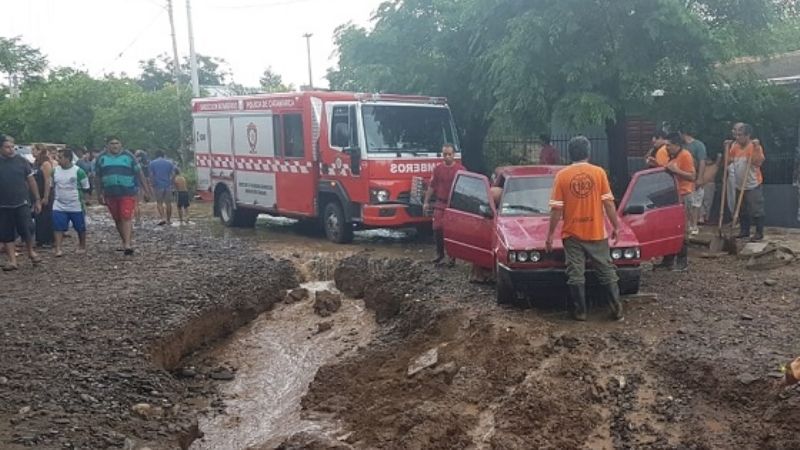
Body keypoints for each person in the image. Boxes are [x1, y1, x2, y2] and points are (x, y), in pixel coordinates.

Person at [546, 136, 623, 321]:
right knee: (606, 270)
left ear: (569, 153)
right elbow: (609, 203)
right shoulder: (599, 173)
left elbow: (556, 209)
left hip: (572, 234)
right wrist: (616, 226)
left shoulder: (562, 176)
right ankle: (616, 309)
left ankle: (580, 312)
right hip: (596, 231)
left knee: (575, 273)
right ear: (589, 152)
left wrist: (550, 235)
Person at [95, 137, 151, 255]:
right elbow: (97, 177)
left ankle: (127, 244)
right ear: (107, 145)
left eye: (117, 143)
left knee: (126, 216)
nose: (115, 146)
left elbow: (139, 173)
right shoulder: (101, 158)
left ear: (121, 145)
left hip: (127, 191)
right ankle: (125, 240)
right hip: (110, 193)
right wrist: (99, 193)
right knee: (117, 218)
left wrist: (146, 190)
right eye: (112, 143)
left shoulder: (129, 156)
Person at [652, 132, 696, 271]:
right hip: (671, 194)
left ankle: (682, 262)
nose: (667, 147)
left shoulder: (685, 155)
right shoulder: (670, 155)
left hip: (683, 194)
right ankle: (668, 260)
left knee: (682, 229)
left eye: (669, 145)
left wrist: (677, 171)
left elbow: (692, 177)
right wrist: (656, 165)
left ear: (677, 145)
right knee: (669, 228)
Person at [0, 134, 43, 270]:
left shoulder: (21, 161)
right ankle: (12, 260)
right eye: (7, 147)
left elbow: (31, 180)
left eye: (12, 147)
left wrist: (37, 199)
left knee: (27, 228)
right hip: (3, 204)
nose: (11, 149)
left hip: (21, 201)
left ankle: (31, 252)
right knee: (6, 233)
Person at [423, 143, 463, 266]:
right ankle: (439, 254)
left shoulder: (460, 170)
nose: (447, 157)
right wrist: (426, 202)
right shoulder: (438, 169)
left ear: (454, 155)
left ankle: (452, 256)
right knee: (437, 228)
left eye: (449, 154)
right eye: (445, 154)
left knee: (451, 231)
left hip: (453, 205)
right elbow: (432, 186)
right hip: (440, 203)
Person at [727, 123, 766, 241]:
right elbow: (729, 160)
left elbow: (759, 162)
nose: (737, 137)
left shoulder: (753, 146)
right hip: (739, 184)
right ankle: (744, 231)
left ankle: (759, 232)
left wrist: (757, 148)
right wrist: (727, 148)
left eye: (740, 135)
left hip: (752, 183)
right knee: (742, 210)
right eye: (736, 135)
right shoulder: (735, 146)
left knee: (756, 209)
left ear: (747, 135)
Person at [52, 149, 90, 257]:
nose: (58, 159)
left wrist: (85, 201)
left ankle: (82, 245)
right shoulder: (54, 171)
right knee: (57, 226)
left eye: (60, 157)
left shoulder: (78, 171)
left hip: (75, 204)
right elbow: (51, 185)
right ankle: (58, 248)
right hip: (59, 204)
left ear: (68, 158)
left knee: (80, 227)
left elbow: (86, 187)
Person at [679, 127, 707, 236]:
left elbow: (702, 162)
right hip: (684, 180)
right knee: (687, 205)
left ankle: (694, 225)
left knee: (696, 203)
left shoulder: (698, 145)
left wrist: (700, 178)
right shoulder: (680, 146)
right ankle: (687, 226)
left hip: (694, 177)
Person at [31, 143, 54, 248]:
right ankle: (40, 239)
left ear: (40, 150)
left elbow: (48, 180)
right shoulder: (35, 163)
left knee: (46, 217)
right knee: (38, 217)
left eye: (34, 150)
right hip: (37, 193)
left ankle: (48, 240)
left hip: (45, 192)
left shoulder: (46, 164)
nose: (32, 152)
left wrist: (46, 196)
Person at [148, 150, 177, 226]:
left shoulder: (152, 163)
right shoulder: (169, 163)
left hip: (158, 185)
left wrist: (152, 183)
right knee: (168, 203)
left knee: (159, 203)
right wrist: (171, 182)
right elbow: (173, 174)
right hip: (167, 185)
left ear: (156, 155)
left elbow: (151, 175)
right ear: (163, 155)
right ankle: (169, 220)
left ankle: (163, 218)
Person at [699, 151, 722, 224]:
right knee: (700, 201)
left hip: (709, 185)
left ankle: (706, 217)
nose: (707, 161)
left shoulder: (715, 166)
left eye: (709, 159)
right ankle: (701, 217)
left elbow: (719, 158)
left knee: (708, 201)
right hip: (701, 185)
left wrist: (720, 152)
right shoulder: (703, 166)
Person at [134, 149, 150, 224]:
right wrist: (146, 191)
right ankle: (137, 220)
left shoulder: (127, 165)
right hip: (136, 185)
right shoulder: (138, 166)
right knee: (136, 204)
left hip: (128, 186)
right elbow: (142, 176)